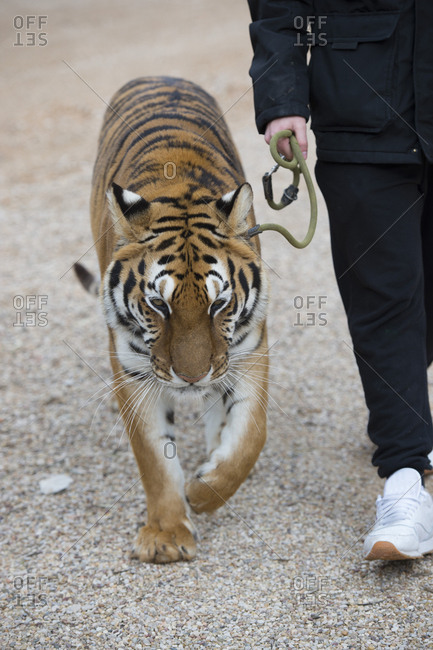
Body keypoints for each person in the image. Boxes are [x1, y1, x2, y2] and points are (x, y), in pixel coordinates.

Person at [247, 0, 433, 561]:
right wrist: (282, 101)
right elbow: (278, 12)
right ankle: (404, 480)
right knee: (384, 297)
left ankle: (404, 411)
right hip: (363, 116)